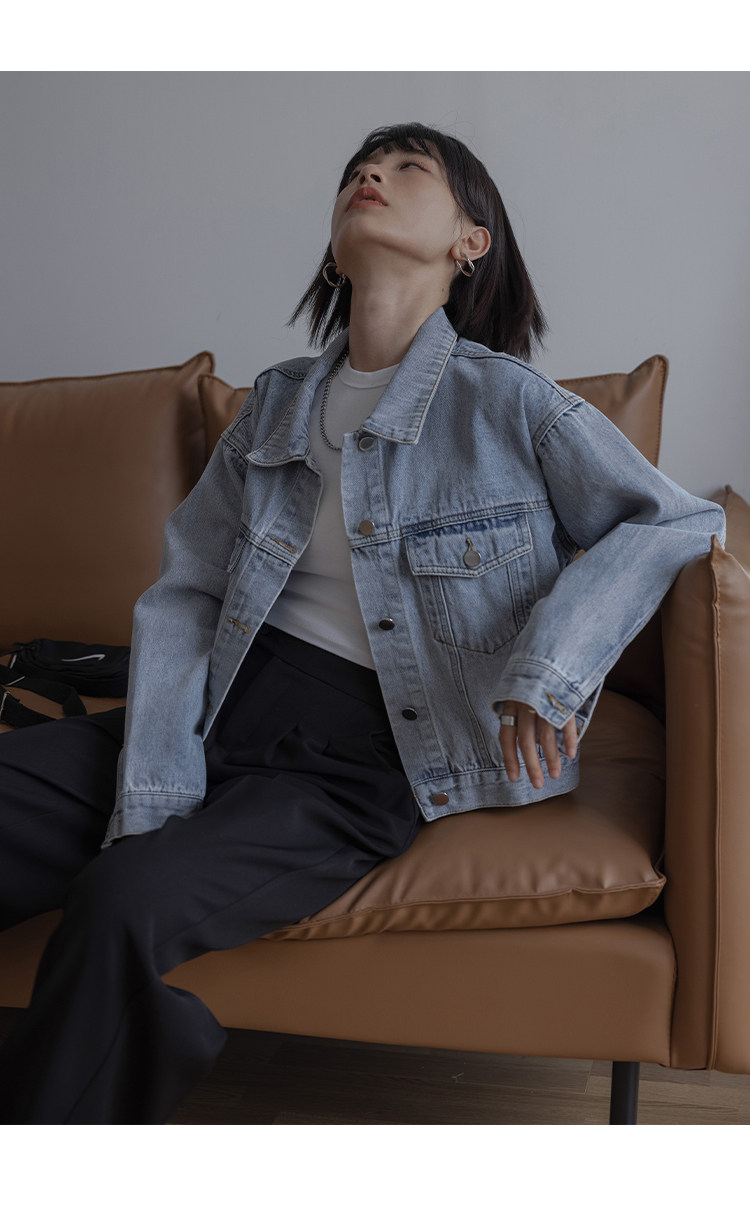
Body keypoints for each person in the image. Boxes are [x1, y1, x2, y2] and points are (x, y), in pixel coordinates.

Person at [0, 122, 725, 1124]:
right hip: (211, 712)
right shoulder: (274, 407)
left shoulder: (508, 404)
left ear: (470, 241)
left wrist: (549, 667)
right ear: (336, 249)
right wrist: (158, 772)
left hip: (352, 764)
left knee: (127, 902)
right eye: (358, 169)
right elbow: (187, 591)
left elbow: (678, 520)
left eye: (407, 167)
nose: (370, 174)